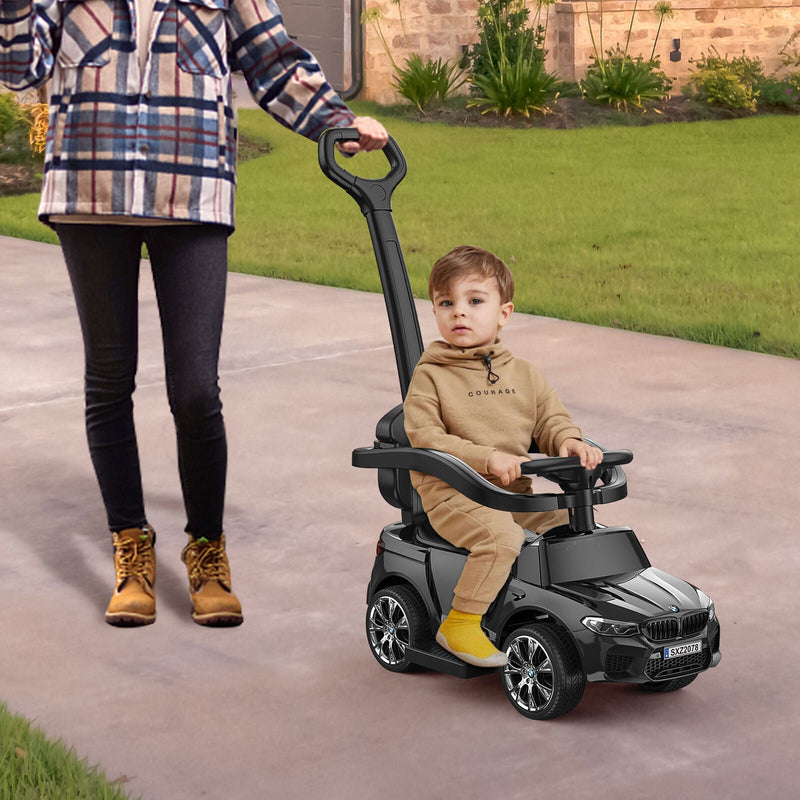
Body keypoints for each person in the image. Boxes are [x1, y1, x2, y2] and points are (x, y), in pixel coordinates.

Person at [0, 0, 388, 627]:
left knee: (196, 391)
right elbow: (21, 70)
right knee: (109, 378)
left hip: (194, 189)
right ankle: (131, 548)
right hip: (89, 190)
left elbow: (271, 59)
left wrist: (335, 121)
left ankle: (206, 548)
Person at [403, 245, 603, 667]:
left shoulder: (524, 374)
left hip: (514, 493)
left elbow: (549, 419)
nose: (459, 312)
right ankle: (461, 621)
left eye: (474, 301)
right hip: (453, 496)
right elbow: (425, 438)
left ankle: (572, 615)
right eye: (446, 302)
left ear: (503, 313)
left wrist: (568, 442)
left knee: (572, 530)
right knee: (501, 537)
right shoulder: (430, 375)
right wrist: (486, 457)